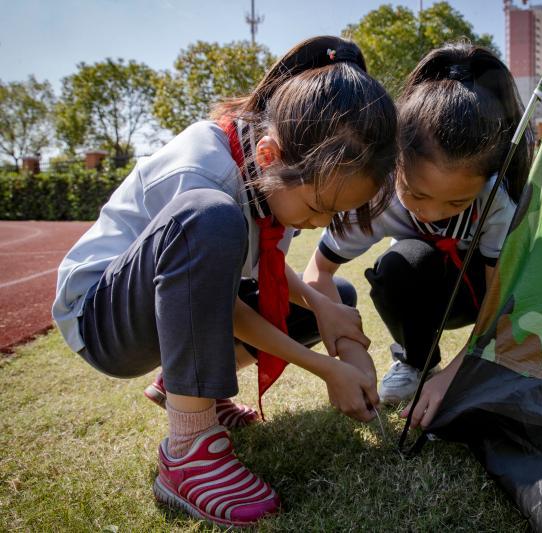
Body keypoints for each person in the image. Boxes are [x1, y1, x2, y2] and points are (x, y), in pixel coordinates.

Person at [51, 36, 397, 528]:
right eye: (319, 208)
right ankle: (188, 451)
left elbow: (268, 270)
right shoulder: (205, 170)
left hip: (161, 305)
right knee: (210, 218)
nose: (321, 223)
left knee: (333, 294)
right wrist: (324, 367)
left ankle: (193, 389)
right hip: (102, 321)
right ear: (270, 153)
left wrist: (324, 309)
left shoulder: (275, 178)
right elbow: (221, 300)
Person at [304, 42, 533, 403]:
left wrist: (458, 378)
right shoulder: (377, 198)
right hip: (420, 289)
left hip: (477, 296)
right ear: (397, 161)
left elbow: (497, 304)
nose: (435, 213)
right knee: (400, 264)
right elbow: (318, 272)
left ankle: (474, 367)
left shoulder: (495, 203)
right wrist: (350, 353)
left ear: (488, 179)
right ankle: (417, 363)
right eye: (418, 195)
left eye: (458, 201)